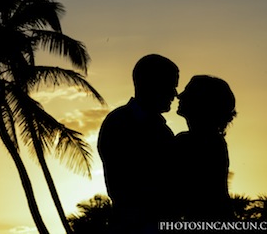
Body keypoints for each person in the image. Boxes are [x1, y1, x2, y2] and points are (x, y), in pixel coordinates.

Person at [98, 54, 179, 234]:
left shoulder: (161, 129)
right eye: (171, 85)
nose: (175, 94)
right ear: (151, 84)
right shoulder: (120, 123)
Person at [175, 75, 237, 221]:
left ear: (202, 102)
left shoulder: (191, 142)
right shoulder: (213, 141)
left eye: (188, 92)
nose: (180, 95)